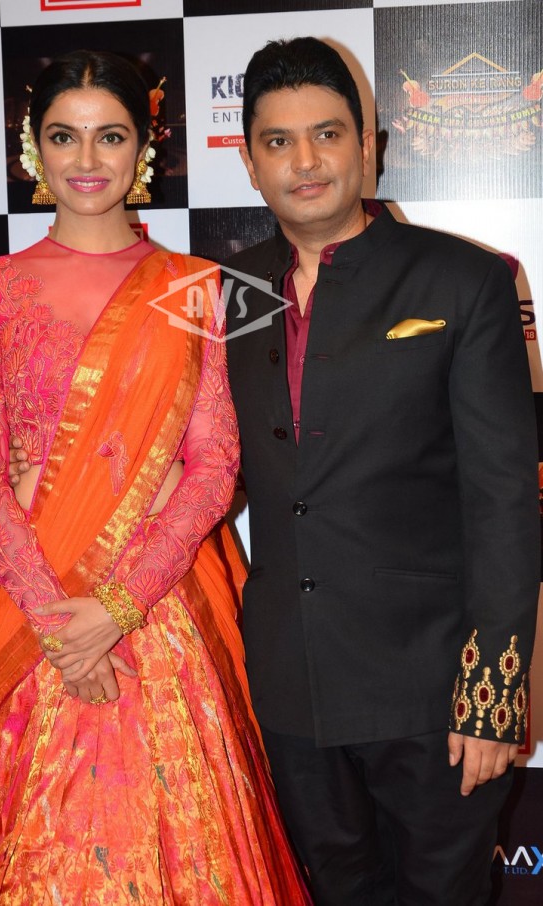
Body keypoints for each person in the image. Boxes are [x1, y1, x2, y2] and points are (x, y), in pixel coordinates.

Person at [0, 50, 310, 904]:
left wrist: (115, 609)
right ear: (31, 148)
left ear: (144, 148)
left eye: (110, 137)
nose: (87, 160)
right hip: (38, 615)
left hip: (160, 611)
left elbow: (213, 467)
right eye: (63, 137)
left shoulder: (193, 287)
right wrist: (59, 629)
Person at [221, 38, 539, 906]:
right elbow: (195, 458)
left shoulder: (465, 280)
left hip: (433, 691)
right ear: (250, 162)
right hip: (287, 688)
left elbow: (505, 500)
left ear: (368, 145)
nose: (305, 161)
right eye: (278, 141)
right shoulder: (224, 296)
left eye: (327, 134)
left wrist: (491, 699)